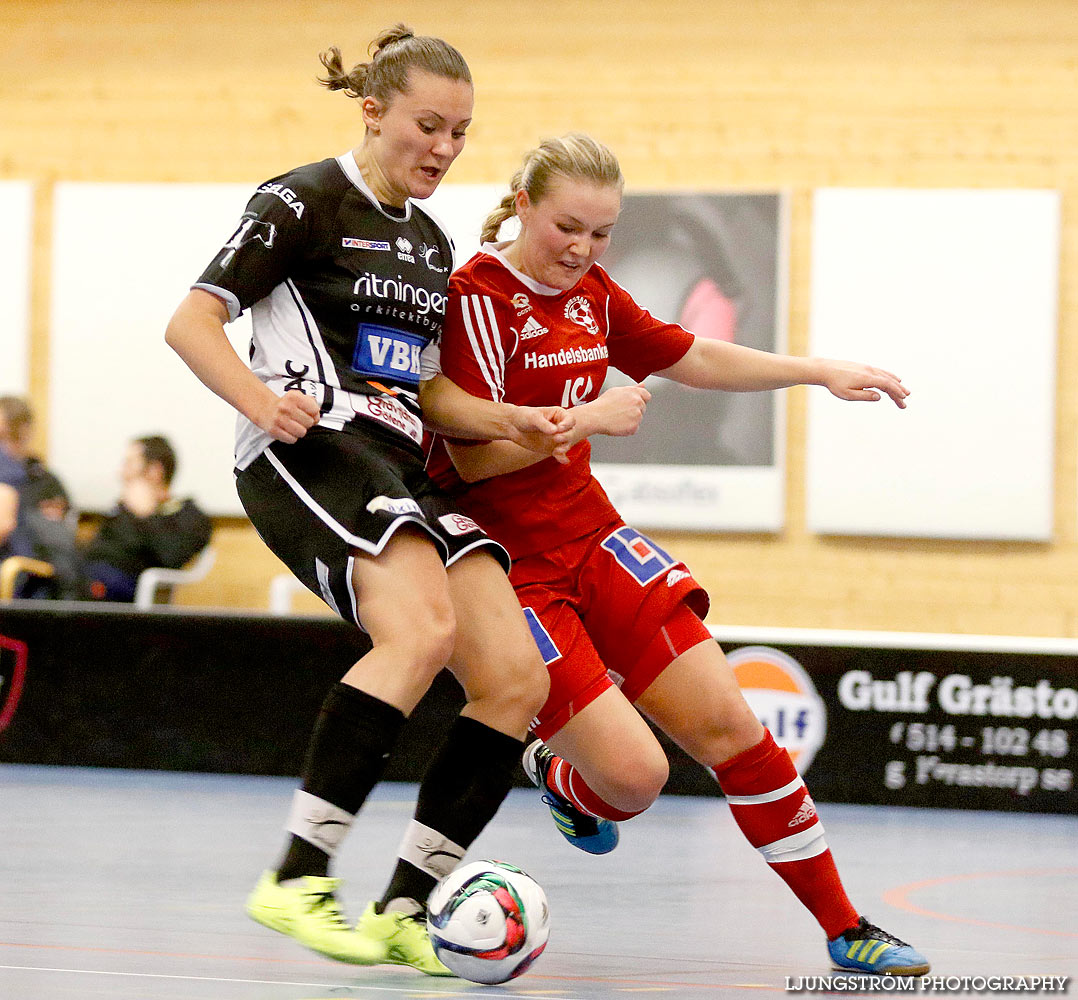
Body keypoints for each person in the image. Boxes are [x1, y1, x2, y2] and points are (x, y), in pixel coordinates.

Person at [421, 133, 931, 977]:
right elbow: (472, 460)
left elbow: (692, 354)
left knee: (734, 728)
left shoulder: (590, 292)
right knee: (635, 781)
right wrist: (587, 420)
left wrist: (816, 370)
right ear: (520, 206)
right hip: (511, 571)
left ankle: (848, 930)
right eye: (566, 228)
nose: (582, 251)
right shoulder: (474, 298)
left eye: (602, 233)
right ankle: (563, 777)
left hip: (592, 536)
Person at [165, 26, 572, 976]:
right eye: (428, 125)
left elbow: (424, 392)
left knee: (517, 679)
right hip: (306, 450)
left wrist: (517, 420)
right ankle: (298, 879)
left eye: (461, 134)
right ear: (373, 111)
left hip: (398, 464)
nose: (443, 148)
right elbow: (191, 322)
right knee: (419, 634)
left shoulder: (430, 244)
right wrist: (262, 400)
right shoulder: (298, 200)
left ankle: (404, 907)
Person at [78, 435, 212, 602]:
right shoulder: (123, 509)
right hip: (89, 576)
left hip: (123, 588)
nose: (122, 473)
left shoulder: (189, 516)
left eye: (129, 464)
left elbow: (171, 557)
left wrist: (146, 515)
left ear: (154, 471)